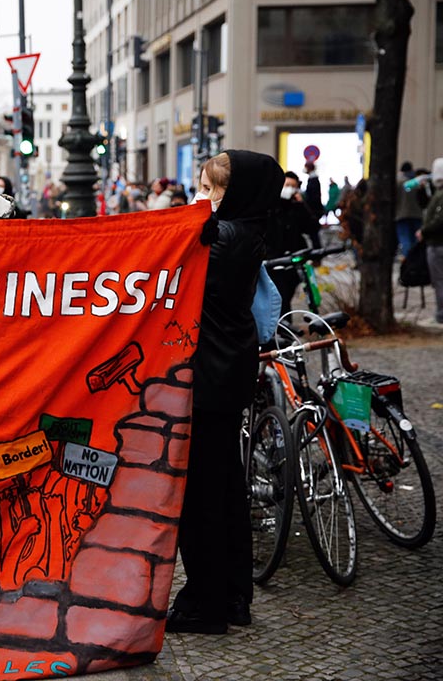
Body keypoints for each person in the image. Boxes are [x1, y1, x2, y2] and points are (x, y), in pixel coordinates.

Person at [168, 150, 283, 635]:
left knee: (200, 497)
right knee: (226, 488)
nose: (203, 197)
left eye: (212, 189)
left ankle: (206, 602)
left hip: (209, 377)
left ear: (233, 195)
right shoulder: (246, 231)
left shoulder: (224, 237)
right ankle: (233, 595)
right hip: (226, 369)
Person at [265, 171, 321, 315]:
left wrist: (301, 205)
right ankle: (283, 328)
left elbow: (312, 227)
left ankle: (283, 327)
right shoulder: (270, 206)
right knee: (279, 299)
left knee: (286, 297)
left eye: (292, 186)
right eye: (286, 185)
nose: (289, 188)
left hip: (293, 262)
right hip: (274, 261)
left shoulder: (296, 207)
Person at [420, 158, 443, 324]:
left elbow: (438, 219)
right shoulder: (437, 193)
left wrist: (424, 230)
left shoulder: (440, 195)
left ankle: (441, 314)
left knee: (439, 280)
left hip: (437, 242)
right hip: (435, 241)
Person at [395, 161, 428, 259]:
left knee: (405, 239)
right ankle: (416, 259)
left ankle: (409, 259)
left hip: (401, 215)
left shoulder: (398, 181)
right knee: (416, 240)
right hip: (417, 214)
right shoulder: (416, 182)